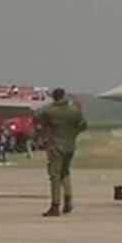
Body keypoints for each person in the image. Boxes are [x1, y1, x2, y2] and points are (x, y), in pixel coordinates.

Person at [34, 87, 87, 217]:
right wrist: (73, 134)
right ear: (64, 96)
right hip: (70, 147)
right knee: (66, 172)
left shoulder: (49, 111)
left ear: (53, 97)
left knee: (55, 176)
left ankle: (55, 206)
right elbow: (83, 125)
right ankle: (68, 200)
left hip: (55, 147)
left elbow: (36, 117)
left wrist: (42, 135)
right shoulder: (74, 111)